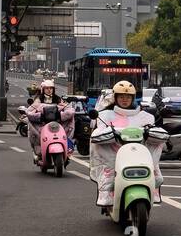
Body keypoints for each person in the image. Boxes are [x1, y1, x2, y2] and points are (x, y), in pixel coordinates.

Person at [89, 79, 160, 210]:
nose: (125, 99)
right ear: (115, 97)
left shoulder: (143, 116)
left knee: (156, 170)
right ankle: (106, 193)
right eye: (121, 96)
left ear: (133, 98)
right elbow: (98, 134)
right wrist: (114, 134)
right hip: (114, 156)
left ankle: (153, 187)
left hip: (138, 155)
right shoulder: (105, 115)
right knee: (108, 173)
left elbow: (154, 131)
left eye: (128, 97)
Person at [24, 78, 74, 162]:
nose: (49, 90)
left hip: (57, 125)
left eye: (51, 88)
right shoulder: (38, 100)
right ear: (43, 89)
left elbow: (69, 109)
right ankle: (38, 153)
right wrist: (40, 116)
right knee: (36, 135)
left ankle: (67, 149)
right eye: (47, 88)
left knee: (68, 129)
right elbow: (29, 111)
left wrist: (61, 115)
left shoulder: (58, 99)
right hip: (42, 125)